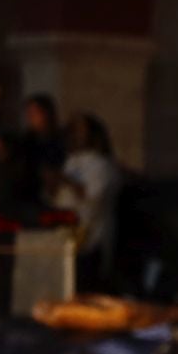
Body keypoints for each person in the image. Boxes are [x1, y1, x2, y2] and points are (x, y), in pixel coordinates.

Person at [51, 112, 122, 292]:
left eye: (80, 130)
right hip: (65, 234)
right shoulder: (71, 161)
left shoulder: (102, 165)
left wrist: (68, 182)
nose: (75, 134)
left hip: (91, 237)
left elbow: (94, 197)